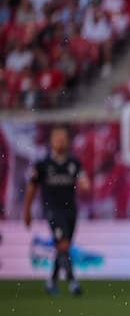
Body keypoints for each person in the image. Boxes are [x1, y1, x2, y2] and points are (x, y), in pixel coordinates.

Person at [24, 126, 91, 296]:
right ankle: (73, 282)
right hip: (53, 210)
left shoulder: (73, 163)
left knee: (63, 247)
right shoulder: (43, 165)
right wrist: (27, 210)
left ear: (68, 141)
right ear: (51, 141)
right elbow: (32, 188)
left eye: (63, 138)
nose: (61, 141)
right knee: (63, 244)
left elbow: (83, 179)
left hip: (71, 211)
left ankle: (51, 282)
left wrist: (85, 184)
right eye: (57, 138)